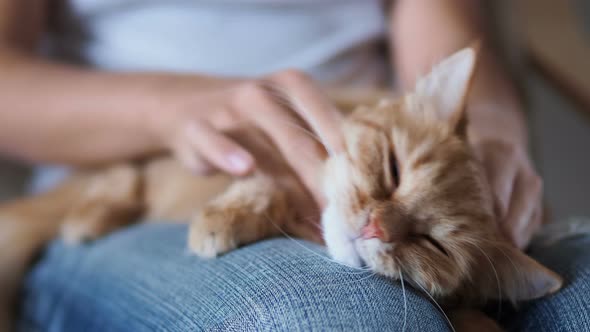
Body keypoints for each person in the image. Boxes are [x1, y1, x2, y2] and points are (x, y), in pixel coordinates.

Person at [1, 0, 587, 331]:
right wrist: (171, 109)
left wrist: (492, 133)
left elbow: (447, 33)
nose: (378, 227)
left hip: (362, 125)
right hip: (128, 194)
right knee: (343, 320)